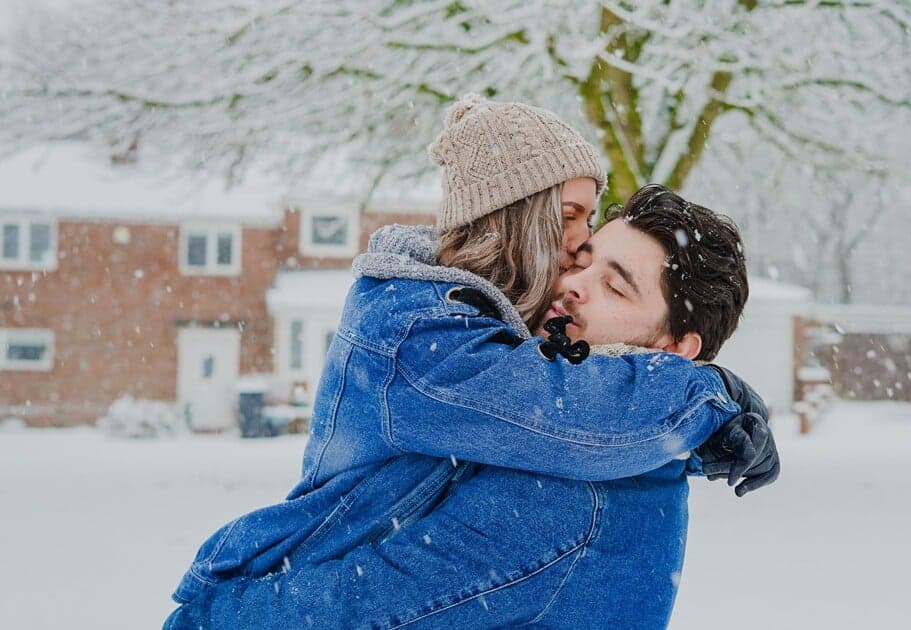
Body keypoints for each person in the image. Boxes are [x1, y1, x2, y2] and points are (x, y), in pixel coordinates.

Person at [166, 95, 777, 623]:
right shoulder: (437, 343)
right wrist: (710, 397)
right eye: (580, 253)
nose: (572, 277)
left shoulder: (569, 491)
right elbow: (553, 407)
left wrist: (216, 615)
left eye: (616, 286)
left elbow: (362, 608)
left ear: (674, 352)